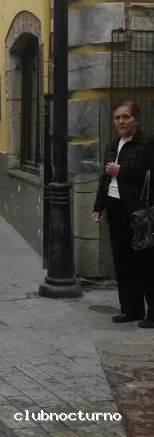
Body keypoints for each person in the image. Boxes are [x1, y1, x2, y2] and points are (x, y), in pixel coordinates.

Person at [93, 101, 154, 329]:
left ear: (136, 120)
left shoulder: (146, 143)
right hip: (116, 208)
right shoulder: (112, 145)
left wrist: (123, 171)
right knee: (122, 261)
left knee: (145, 262)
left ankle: (152, 312)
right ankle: (131, 309)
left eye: (126, 117)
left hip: (137, 212)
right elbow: (105, 179)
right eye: (117, 117)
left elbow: (150, 175)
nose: (121, 121)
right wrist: (98, 207)